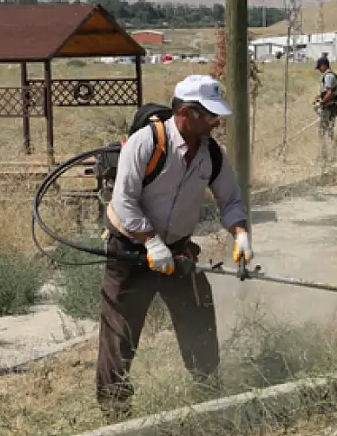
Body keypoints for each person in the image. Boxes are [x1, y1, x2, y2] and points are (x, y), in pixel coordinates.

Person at [97, 74, 254, 418]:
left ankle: (210, 397)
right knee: (118, 336)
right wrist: (151, 243)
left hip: (179, 252)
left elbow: (230, 199)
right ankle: (114, 413)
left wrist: (240, 234)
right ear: (185, 112)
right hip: (130, 253)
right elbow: (124, 202)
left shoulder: (211, 153)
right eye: (209, 115)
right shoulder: (145, 143)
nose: (215, 122)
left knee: (199, 317)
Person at [314, 55, 337, 163]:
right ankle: (335, 153)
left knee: (322, 132)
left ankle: (324, 156)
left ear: (324, 66)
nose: (319, 69)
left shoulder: (328, 76)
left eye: (319, 67)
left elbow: (329, 92)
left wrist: (322, 102)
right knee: (329, 131)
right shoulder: (330, 75)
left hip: (328, 108)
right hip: (331, 107)